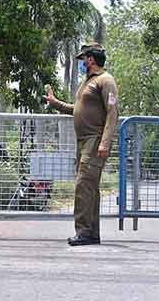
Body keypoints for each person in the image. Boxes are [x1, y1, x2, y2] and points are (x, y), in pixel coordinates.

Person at [45, 43, 119, 246]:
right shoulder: (88, 83)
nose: (82, 63)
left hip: (95, 141)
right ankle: (92, 233)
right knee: (90, 188)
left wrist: (104, 143)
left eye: (83, 59)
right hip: (83, 142)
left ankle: (83, 232)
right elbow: (76, 109)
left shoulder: (106, 80)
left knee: (82, 186)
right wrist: (55, 103)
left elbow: (113, 114)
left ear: (91, 59)